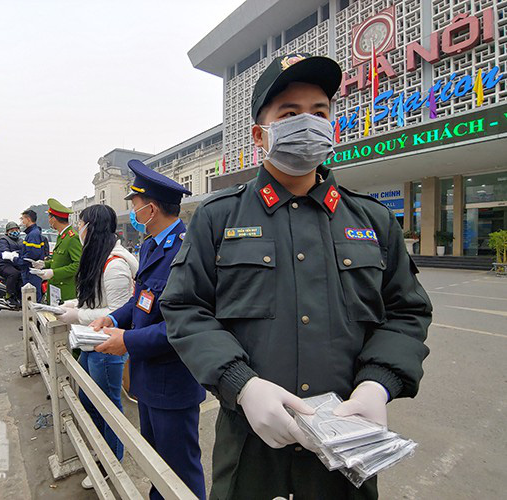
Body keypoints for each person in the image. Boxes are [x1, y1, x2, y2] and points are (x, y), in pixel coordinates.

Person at [160, 53, 433, 500]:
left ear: (333, 126)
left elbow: (407, 310)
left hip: (349, 448)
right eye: (289, 113)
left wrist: (378, 383)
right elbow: (185, 307)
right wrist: (240, 385)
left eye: (319, 112)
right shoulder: (219, 217)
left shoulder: (372, 219)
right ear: (259, 134)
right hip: (252, 446)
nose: (308, 122)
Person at [91, 159, 206, 500]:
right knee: (158, 464)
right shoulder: (154, 245)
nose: (134, 213)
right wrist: (114, 319)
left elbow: (181, 326)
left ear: (151, 209)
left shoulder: (185, 251)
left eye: (136, 206)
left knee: (180, 471)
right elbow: (143, 299)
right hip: (149, 376)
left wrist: (126, 340)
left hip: (172, 381)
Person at [53, 204, 138, 490]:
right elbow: (96, 301)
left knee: (107, 405)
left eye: (81, 224)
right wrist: (75, 304)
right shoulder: (100, 257)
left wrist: (77, 315)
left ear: (93, 227)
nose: (79, 229)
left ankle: (111, 462)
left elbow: (116, 311)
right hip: (90, 343)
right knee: (90, 400)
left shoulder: (114, 264)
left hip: (106, 346)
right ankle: (100, 449)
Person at [29, 198, 82, 303]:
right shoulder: (62, 236)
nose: (49, 221)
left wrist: (53, 272)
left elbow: (78, 264)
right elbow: (60, 260)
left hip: (65, 290)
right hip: (55, 288)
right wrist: (44, 264)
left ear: (53, 219)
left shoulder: (72, 237)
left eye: (49, 218)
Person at [5, 209, 44, 301]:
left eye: (22, 219)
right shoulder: (32, 233)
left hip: (30, 270)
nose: (22, 221)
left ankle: (32, 315)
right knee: (31, 296)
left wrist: (15, 259)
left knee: (32, 297)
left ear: (28, 219)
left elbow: (32, 255)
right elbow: (28, 251)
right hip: (29, 270)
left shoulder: (33, 234)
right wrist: (18, 254)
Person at [0, 221, 24, 305]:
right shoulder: (3, 240)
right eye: (12, 230)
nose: (14, 231)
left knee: (24, 274)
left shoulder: (21, 240)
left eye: (16, 229)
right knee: (14, 274)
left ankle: (20, 296)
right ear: (7, 231)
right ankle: (9, 296)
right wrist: (15, 255)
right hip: (4, 265)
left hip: (17, 264)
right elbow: (4, 253)